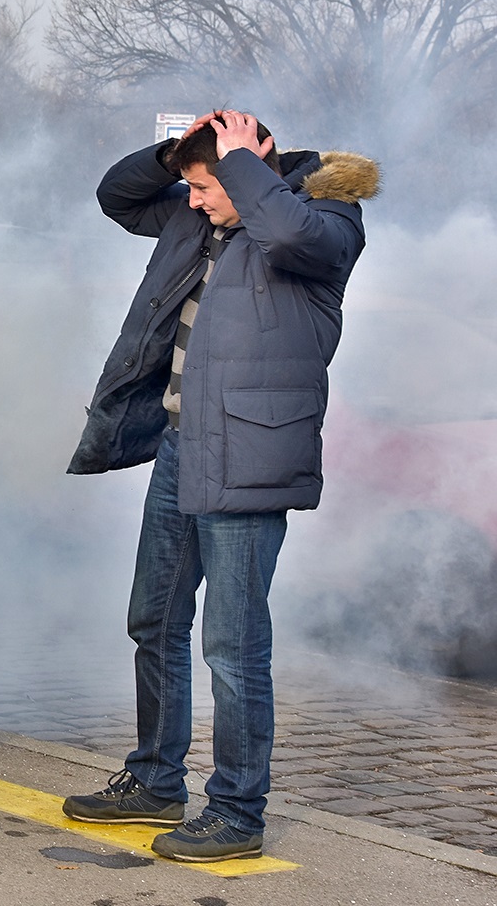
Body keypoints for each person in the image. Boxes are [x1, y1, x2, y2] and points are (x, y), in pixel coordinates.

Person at [63, 110, 380, 862]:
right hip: (181, 448)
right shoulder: (195, 216)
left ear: (253, 165)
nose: (195, 198)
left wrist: (238, 166)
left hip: (251, 458)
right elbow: (118, 196)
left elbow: (294, 237)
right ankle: (155, 780)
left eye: (208, 185)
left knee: (233, 647)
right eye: (192, 186)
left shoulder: (328, 219)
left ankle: (237, 811)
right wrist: (180, 155)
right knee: (155, 620)